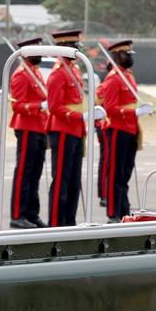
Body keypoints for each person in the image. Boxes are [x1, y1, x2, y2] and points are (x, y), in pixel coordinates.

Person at [46, 29, 102, 226]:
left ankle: (69, 221)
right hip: (62, 130)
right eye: (73, 45)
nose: (77, 49)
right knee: (61, 179)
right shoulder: (58, 74)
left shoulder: (74, 70)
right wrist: (80, 115)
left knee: (74, 181)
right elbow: (54, 107)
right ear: (63, 47)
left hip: (76, 130)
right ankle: (56, 224)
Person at [96, 40, 153, 222]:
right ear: (116, 56)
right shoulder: (113, 79)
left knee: (125, 173)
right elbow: (111, 109)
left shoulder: (128, 76)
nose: (129, 57)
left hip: (129, 129)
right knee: (116, 174)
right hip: (117, 130)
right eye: (125, 54)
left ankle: (123, 209)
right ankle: (114, 212)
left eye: (130, 54)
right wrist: (135, 111)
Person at [9, 37, 49, 229]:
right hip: (26, 127)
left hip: (39, 126)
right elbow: (17, 105)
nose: (40, 53)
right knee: (24, 172)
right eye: (36, 50)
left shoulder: (35, 73)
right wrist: (39, 106)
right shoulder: (21, 74)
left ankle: (32, 213)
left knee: (35, 173)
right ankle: (18, 214)